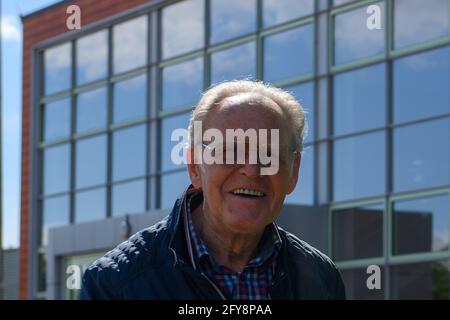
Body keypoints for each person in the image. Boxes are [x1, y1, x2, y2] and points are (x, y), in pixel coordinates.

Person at [80, 80, 346, 300]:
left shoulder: (322, 278)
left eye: (269, 154)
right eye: (230, 151)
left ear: (293, 172)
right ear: (195, 167)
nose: (252, 170)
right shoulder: (113, 285)